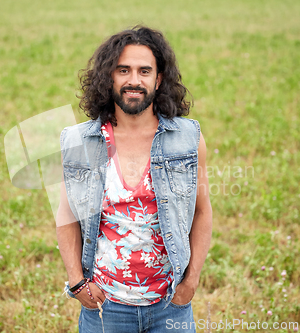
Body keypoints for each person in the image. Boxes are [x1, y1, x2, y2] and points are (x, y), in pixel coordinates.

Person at [56, 25, 212, 333]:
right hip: (106, 307)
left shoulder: (187, 139)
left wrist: (191, 281)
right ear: (109, 77)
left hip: (171, 305)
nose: (134, 81)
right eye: (123, 70)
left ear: (159, 78)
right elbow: (66, 213)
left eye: (144, 71)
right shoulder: (79, 142)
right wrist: (76, 281)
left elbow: (202, 210)